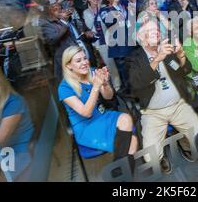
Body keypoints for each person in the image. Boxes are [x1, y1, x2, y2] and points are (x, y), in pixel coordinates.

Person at [126, 20, 198, 174]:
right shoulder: (133, 58)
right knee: (151, 159)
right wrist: (157, 58)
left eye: (157, 30)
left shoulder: (168, 51)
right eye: (151, 30)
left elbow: (185, 70)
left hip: (178, 105)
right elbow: (137, 84)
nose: (157, 32)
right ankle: (161, 157)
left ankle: (184, 144)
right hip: (153, 112)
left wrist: (181, 55)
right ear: (142, 38)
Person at [58, 46, 138, 175]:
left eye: (85, 58)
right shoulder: (64, 87)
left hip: (103, 116)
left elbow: (109, 97)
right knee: (132, 142)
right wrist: (96, 86)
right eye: (78, 61)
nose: (84, 62)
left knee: (126, 118)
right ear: (68, 66)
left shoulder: (93, 72)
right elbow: (86, 113)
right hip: (86, 126)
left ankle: (118, 174)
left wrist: (105, 84)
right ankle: (119, 176)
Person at [83, 0, 122, 92]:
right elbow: (89, 25)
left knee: (115, 64)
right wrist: (98, 11)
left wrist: (102, 10)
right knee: (107, 65)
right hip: (99, 42)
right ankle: (109, 87)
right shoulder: (86, 12)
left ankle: (118, 87)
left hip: (111, 39)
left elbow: (111, 22)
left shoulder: (105, 8)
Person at [100, 0, 135, 95]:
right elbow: (108, 21)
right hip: (119, 49)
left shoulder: (126, 6)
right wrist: (114, 7)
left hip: (131, 46)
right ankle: (131, 97)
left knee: (135, 72)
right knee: (125, 75)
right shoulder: (105, 10)